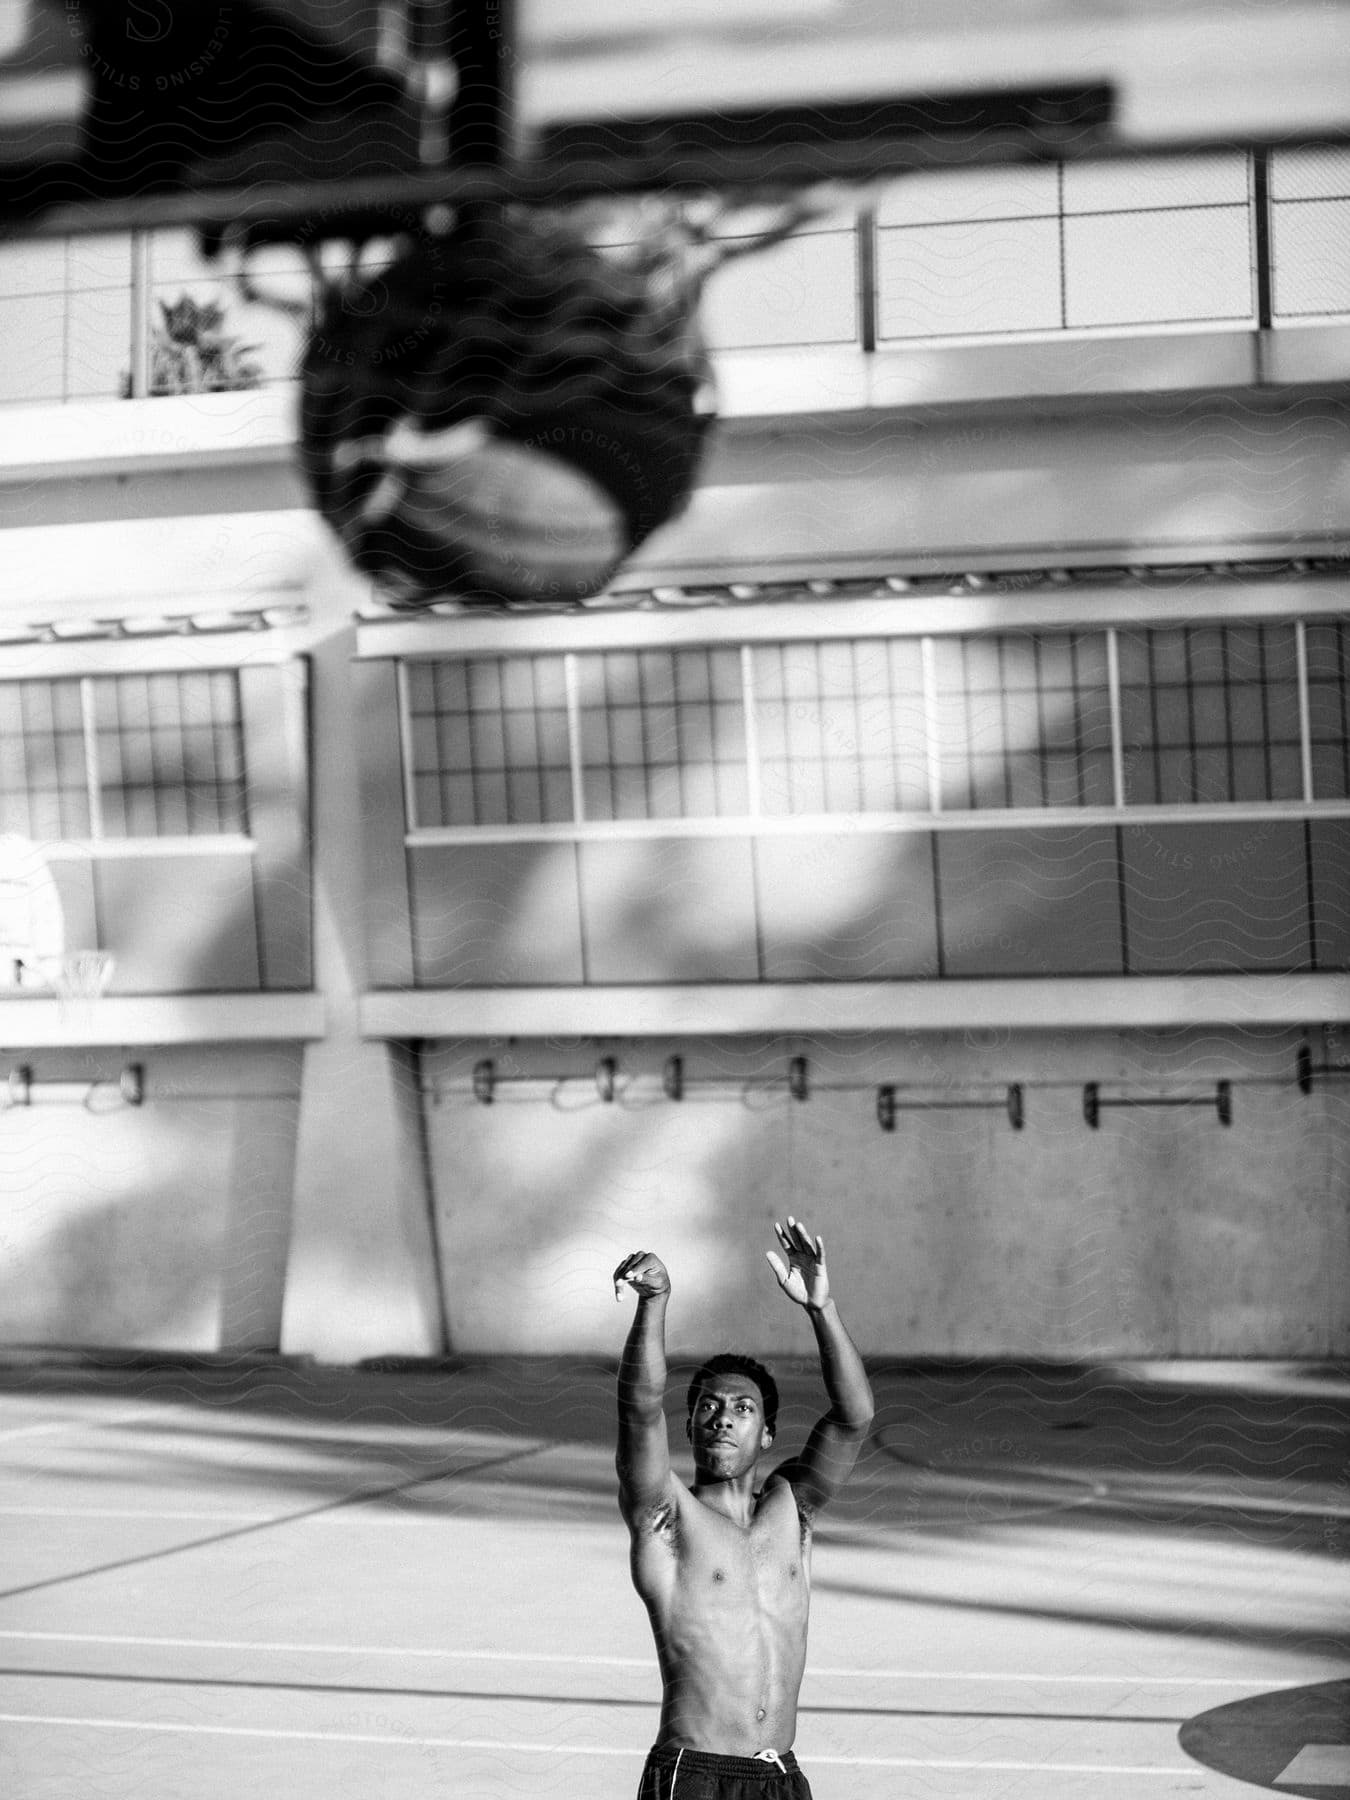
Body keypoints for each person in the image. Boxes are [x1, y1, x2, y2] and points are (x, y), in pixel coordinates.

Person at [613, 1217, 875, 1799]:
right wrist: (654, 1301)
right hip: (695, 1777)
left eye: (742, 1407)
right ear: (690, 1425)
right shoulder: (665, 1515)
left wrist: (821, 1308)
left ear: (766, 1434)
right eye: (708, 1405)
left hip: (781, 1776)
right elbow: (639, 1410)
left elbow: (854, 1417)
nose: (724, 1416)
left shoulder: (792, 1507)